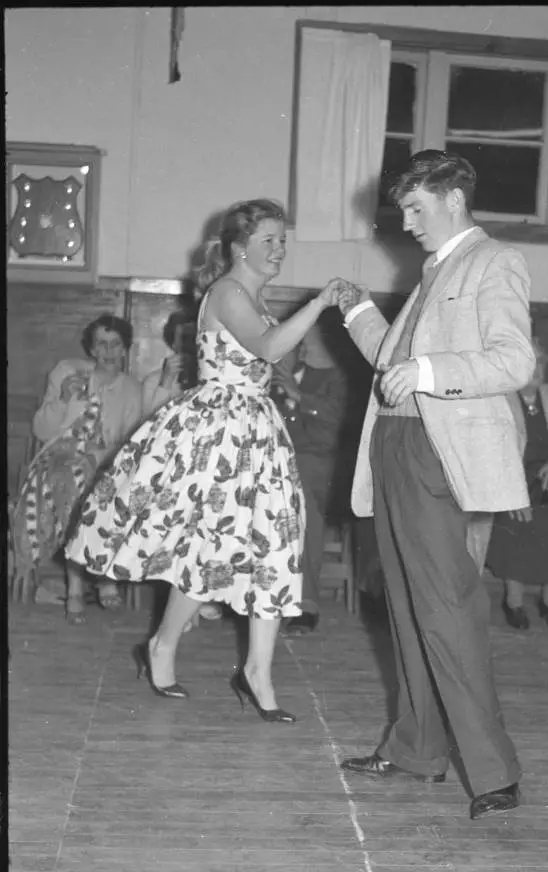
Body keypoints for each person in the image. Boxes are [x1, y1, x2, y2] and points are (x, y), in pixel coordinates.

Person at [65, 198, 346, 719]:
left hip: (258, 431)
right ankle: (162, 645)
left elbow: (269, 357)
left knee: (274, 549)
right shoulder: (226, 291)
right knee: (210, 555)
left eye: (282, 240)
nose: (279, 249)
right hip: (221, 435)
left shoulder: (253, 297)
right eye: (269, 240)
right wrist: (319, 302)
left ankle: (257, 672)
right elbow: (266, 348)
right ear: (240, 248)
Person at [336, 150, 536, 821]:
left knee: (447, 610)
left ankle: (493, 773)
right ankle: (417, 748)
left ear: (452, 197)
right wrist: (357, 310)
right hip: (394, 442)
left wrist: (424, 370)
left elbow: (512, 360)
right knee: (404, 606)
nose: (409, 223)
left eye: (417, 209)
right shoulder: (431, 272)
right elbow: (394, 364)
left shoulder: (492, 261)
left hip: (433, 449)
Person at [12, 315, 142, 624]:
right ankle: (78, 585)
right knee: (72, 479)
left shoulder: (132, 390)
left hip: (107, 463)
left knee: (94, 484)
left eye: (115, 345)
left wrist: (96, 458)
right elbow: (42, 430)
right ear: (92, 349)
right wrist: (62, 399)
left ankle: (94, 579)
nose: (108, 352)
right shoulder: (69, 373)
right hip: (56, 460)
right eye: (101, 344)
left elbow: (129, 442)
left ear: (125, 349)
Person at [485, 338, 548, 629]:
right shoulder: (498, 401)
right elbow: (493, 453)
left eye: (541, 362)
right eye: (531, 362)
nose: (538, 369)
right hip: (513, 481)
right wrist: (514, 491)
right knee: (515, 520)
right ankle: (514, 601)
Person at [272, 322, 368, 635]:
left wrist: (297, 395)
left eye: (288, 348)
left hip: (319, 472)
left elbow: (333, 427)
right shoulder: (259, 387)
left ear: (301, 349)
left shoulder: (331, 380)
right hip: (272, 472)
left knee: (303, 503)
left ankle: (305, 603)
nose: (280, 357)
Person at [142, 312, 221, 626]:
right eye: (181, 341)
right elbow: (146, 428)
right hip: (168, 472)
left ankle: (198, 594)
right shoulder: (155, 379)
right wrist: (165, 384)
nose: (188, 348)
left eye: (194, 340)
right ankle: (181, 603)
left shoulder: (213, 378)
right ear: (171, 344)